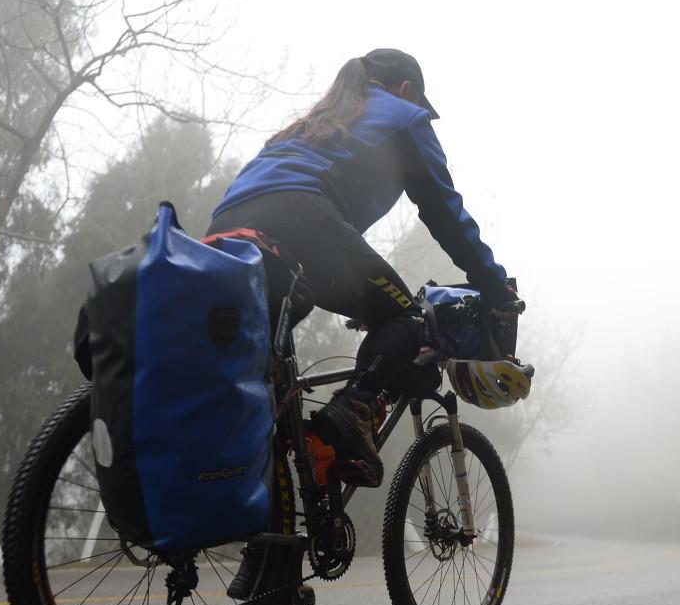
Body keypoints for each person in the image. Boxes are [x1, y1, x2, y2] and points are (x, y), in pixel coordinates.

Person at [206, 49, 513, 490]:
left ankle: (279, 528)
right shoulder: (404, 115)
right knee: (407, 317)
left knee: (269, 382)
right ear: (406, 89)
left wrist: (362, 291)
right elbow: (446, 212)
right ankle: (353, 411)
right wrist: (495, 285)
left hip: (225, 230)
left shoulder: (313, 122)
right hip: (300, 219)